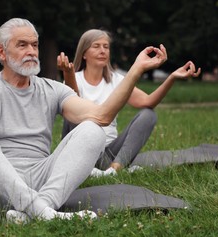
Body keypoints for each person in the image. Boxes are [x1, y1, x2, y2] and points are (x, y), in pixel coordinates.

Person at [0, 18, 187, 223]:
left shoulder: (52, 89)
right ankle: (44, 211)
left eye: (35, 45)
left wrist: (136, 69)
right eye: (22, 45)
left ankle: (39, 208)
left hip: (41, 179)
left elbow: (103, 116)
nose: (32, 51)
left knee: (93, 131)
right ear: (2, 52)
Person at [57, 29, 201, 177]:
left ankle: (114, 170)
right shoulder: (74, 79)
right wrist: (68, 75)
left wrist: (172, 77)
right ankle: (88, 168)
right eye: (96, 46)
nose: (102, 51)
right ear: (84, 53)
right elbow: (74, 106)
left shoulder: (118, 80)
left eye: (106, 47)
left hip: (108, 154)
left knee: (148, 114)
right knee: (73, 115)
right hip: (81, 151)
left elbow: (148, 102)